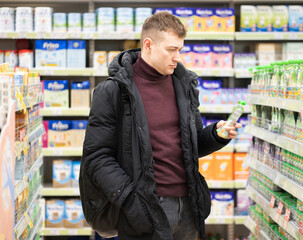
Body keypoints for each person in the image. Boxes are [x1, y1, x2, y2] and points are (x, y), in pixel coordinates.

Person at [80, 12, 241, 240]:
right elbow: (97, 157)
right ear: (148, 45)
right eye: (171, 50)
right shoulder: (114, 91)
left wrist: (216, 134)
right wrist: (131, 200)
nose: (177, 57)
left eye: (180, 50)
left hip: (188, 207)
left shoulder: (183, 86)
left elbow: (191, 144)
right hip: (144, 208)